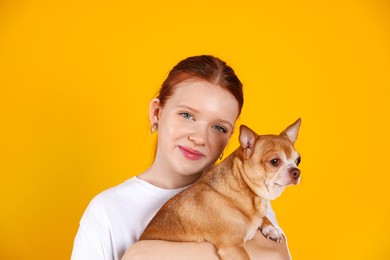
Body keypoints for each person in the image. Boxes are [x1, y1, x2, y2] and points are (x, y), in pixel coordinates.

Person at [71, 55, 291, 260]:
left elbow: (278, 256)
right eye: (187, 115)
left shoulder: (249, 197)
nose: (199, 138)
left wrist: (146, 252)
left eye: (218, 127)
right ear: (157, 113)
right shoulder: (108, 211)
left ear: (232, 139)